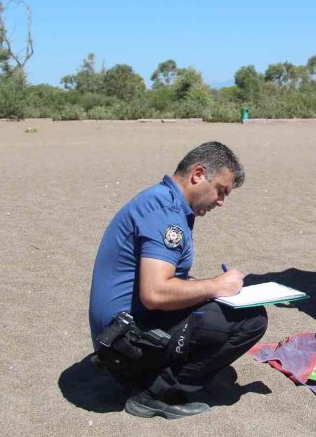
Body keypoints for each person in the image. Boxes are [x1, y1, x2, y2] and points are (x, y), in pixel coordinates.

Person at [89, 141, 268, 419]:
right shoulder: (166, 213)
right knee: (252, 319)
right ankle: (152, 393)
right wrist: (216, 285)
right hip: (122, 345)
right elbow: (156, 293)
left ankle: (140, 372)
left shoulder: (160, 199)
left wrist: (206, 289)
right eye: (220, 191)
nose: (221, 202)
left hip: (113, 337)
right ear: (198, 174)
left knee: (214, 303)